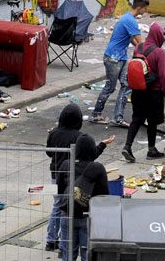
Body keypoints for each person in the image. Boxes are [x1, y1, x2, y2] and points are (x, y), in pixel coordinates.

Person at [46, 103, 114, 251]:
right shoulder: (79, 137)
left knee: (57, 207)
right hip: (73, 178)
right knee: (71, 208)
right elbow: (90, 156)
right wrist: (102, 145)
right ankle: (66, 243)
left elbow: (49, 152)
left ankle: (51, 239)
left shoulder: (54, 133)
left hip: (55, 175)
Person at [55, 135, 110, 261]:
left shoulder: (65, 166)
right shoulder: (98, 168)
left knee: (67, 258)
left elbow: (60, 190)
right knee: (86, 258)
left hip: (67, 217)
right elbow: (104, 195)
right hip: (88, 218)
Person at [90, 0, 149, 126]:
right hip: (113, 58)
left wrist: (139, 51)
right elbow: (140, 41)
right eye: (145, 8)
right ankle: (96, 115)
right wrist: (151, 51)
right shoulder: (130, 21)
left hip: (120, 57)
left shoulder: (127, 18)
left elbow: (133, 40)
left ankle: (118, 118)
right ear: (139, 8)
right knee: (110, 87)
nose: (145, 11)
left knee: (126, 85)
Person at [122, 23, 165, 163]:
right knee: (152, 121)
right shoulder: (159, 52)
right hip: (153, 93)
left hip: (137, 91)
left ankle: (127, 146)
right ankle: (151, 149)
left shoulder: (138, 47)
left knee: (136, 118)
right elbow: (163, 76)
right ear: (158, 36)